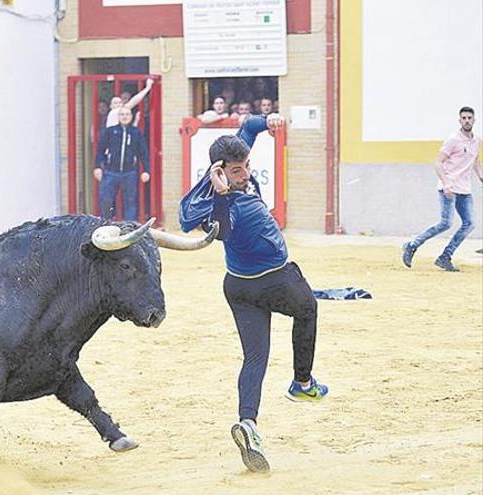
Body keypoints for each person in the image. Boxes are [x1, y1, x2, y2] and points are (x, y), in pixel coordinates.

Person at [180, 113, 328, 473]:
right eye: (237, 170)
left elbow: (246, 129)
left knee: (255, 359)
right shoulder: (219, 200)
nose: (246, 174)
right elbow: (212, 226)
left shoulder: (230, 173)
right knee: (307, 308)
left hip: (238, 285)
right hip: (273, 281)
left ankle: (248, 424)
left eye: (246, 166)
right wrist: (218, 193)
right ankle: (302, 382)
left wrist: (266, 119)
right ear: (219, 170)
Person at [402, 107, 481, 271]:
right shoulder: (453, 140)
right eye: (464, 118)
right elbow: (438, 163)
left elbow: (475, 160)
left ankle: (445, 257)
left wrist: (481, 175)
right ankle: (412, 245)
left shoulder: (476, 140)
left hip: (465, 190)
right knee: (446, 223)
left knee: (469, 223)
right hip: (449, 188)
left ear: (474, 120)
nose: (467, 120)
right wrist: (446, 183)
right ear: (459, 120)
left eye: (469, 118)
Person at [94, 106, 150, 222]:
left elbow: (143, 153)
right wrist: (97, 167)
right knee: (106, 200)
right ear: (118, 117)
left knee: (130, 202)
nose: (125, 117)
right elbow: (100, 150)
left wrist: (146, 170)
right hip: (111, 172)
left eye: (127, 114)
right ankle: (106, 225)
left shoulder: (135, 132)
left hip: (129, 173)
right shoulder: (110, 131)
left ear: (131, 116)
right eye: (122, 114)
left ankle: (129, 227)